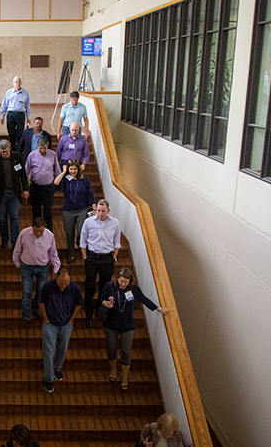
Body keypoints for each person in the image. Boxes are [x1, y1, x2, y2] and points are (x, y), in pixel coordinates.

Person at [99, 267, 170, 390]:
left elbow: (144, 299)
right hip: (111, 324)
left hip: (127, 325)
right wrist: (105, 303)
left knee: (126, 352)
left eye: (125, 282)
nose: (122, 284)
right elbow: (101, 298)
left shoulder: (134, 289)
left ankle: (125, 376)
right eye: (121, 281)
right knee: (111, 348)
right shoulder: (110, 286)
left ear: (129, 281)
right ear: (117, 279)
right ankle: (113, 368)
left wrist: (158, 309)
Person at [38, 267, 82, 393]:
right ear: (56, 278)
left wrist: (71, 319)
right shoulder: (48, 286)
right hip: (50, 323)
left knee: (62, 349)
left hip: (66, 324)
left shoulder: (75, 289)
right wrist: (45, 318)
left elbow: (79, 303)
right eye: (61, 284)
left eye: (66, 284)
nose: (63, 286)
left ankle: (57, 369)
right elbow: (41, 302)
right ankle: (49, 379)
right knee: (49, 351)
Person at [79, 199, 121, 328]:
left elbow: (117, 242)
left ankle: (100, 312)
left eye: (103, 211)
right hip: (92, 257)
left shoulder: (115, 223)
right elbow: (83, 240)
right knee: (90, 286)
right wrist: (85, 257)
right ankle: (88, 315)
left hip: (107, 258)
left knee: (105, 286)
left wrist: (114, 256)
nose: (100, 213)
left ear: (108, 211)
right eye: (98, 210)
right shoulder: (88, 222)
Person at [12, 217, 60, 326]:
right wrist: (17, 264)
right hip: (27, 266)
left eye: (40, 231)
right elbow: (17, 249)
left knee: (41, 289)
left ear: (44, 228)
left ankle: (37, 308)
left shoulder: (49, 235)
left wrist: (56, 267)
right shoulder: (24, 234)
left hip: (43, 266)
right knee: (26, 291)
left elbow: (53, 253)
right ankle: (26, 316)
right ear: (32, 227)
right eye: (36, 230)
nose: (38, 233)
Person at [0, 139, 29, 249]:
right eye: (2, 152)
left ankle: (15, 242)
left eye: (6, 151)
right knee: (2, 218)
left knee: (14, 217)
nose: (5, 154)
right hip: (2, 193)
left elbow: (23, 175)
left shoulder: (17, 157)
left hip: (14, 193)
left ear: (9, 148)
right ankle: (4, 239)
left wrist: (25, 189)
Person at [53, 160, 96, 264]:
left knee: (81, 232)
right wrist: (63, 172)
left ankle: (79, 243)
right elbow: (55, 183)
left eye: (75, 169)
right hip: (68, 210)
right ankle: (71, 254)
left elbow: (90, 194)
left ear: (78, 169)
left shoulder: (85, 180)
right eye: (71, 169)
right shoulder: (66, 179)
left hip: (82, 210)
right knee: (69, 234)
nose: (73, 171)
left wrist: (94, 208)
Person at [25, 137, 61, 232]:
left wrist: (57, 187)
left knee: (48, 212)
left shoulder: (52, 155)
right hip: (35, 187)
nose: (42, 150)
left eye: (44, 148)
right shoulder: (32, 155)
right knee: (35, 211)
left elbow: (57, 171)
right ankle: (36, 231)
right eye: (40, 148)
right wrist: (25, 187)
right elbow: (26, 171)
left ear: (47, 147)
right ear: (37, 147)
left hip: (48, 188)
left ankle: (49, 233)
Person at [0, 76, 31, 150]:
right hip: (11, 115)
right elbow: (4, 105)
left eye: (18, 82)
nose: (17, 84)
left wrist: (28, 117)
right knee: (11, 132)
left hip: (20, 115)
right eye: (15, 82)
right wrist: (2, 116)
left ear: (21, 83)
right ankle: (13, 147)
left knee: (20, 133)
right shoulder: (8, 92)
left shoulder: (25, 93)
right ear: (13, 83)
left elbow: (27, 106)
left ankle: (19, 149)